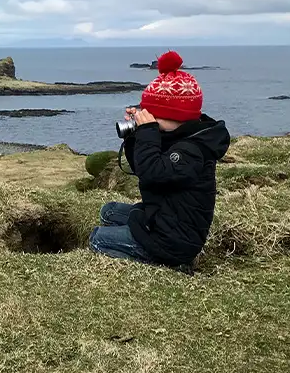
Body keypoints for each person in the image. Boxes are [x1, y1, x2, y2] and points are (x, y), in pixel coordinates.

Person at [89, 50, 231, 272]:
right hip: (163, 218)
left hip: (174, 241)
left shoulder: (192, 151)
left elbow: (152, 173)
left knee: (98, 239)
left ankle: (170, 265)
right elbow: (140, 166)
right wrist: (134, 135)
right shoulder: (179, 136)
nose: (150, 118)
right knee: (109, 212)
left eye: (155, 115)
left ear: (177, 117)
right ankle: (150, 246)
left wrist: (147, 132)